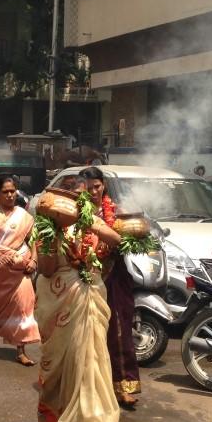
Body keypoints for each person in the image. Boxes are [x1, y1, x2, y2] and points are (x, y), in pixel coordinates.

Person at [35, 180, 123, 422]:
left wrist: (91, 223)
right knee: (61, 365)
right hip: (60, 305)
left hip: (90, 301)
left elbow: (116, 240)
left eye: (79, 197)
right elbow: (46, 270)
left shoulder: (90, 221)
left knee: (90, 366)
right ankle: (59, 418)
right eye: (69, 197)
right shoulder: (47, 229)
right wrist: (51, 235)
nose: (73, 203)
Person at [81, 167, 142, 405]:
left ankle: (122, 387)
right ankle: (87, 387)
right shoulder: (78, 213)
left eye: (97, 186)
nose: (94, 191)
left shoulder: (116, 212)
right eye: (89, 188)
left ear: (103, 185)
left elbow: (131, 236)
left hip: (114, 276)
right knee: (87, 333)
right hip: (84, 275)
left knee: (118, 331)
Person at [0, 175, 39, 365]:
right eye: (5, 192)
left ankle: (20, 349)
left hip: (19, 268)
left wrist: (35, 260)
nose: (10, 195)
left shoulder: (24, 215)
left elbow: (33, 239)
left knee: (23, 304)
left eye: (13, 191)